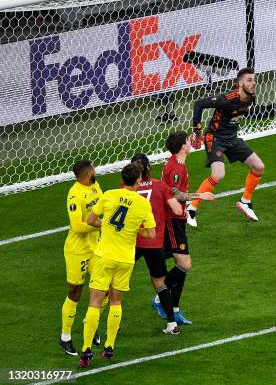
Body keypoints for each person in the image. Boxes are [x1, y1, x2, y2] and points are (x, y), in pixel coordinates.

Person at [80, 164, 156, 367]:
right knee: (116, 302)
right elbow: (151, 234)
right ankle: (109, 346)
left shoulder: (109, 195)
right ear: (139, 180)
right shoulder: (142, 203)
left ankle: (86, 350)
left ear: (123, 179)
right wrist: (134, 230)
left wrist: (105, 224)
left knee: (94, 303)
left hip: (104, 256)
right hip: (125, 259)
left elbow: (90, 220)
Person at [187, 67, 264, 223]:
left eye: (254, 80)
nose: (253, 83)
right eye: (249, 80)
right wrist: (197, 130)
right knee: (218, 175)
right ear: (240, 83)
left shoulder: (251, 97)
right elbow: (199, 104)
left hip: (232, 138)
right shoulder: (226, 98)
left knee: (259, 167)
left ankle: (245, 202)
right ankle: (191, 208)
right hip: (215, 138)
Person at [158, 132, 214, 325]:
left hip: (176, 218)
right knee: (184, 265)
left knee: (181, 267)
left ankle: (174, 310)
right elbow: (174, 193)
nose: (191, 143)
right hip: (172, 219)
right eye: (188, 141)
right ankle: (160, 297)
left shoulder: (177, 163)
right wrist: (200, 195)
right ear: (182, 146)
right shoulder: (175, 167)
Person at [129, 154, 185, 334]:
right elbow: (177, 208)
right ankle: (171, 324)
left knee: (116, 281)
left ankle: (99, 322)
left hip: (133, 241)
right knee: (160, 282)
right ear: (149, 168)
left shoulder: (125, 188)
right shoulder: (160, 186)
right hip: (154, 242)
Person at [60, 160, 102, 356]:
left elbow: (101, 207)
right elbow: (77, 226)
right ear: (87, 174)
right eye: (93, 169)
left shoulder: (95, 186)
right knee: (75, 292)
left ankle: (90, 324)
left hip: (95, 248)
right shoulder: (74, 194)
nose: (95, 171)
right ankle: (65, 336)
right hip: (77, 250)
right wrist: (101, 225)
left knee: (103, 288)